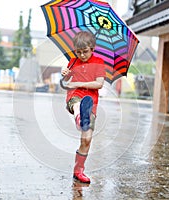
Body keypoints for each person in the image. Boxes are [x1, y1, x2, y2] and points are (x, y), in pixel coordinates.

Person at [61, 31, 105, 184]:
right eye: (78, 52)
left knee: (87, 139)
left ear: (92, 48)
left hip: (91, 103)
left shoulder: (99, 62)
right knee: (78, 104)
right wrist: (65, 73)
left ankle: (78, 170)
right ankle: (79, 115)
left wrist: (78, 83)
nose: (82, 55)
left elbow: (99, 84)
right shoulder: (73, 61)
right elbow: (65, 80)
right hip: (74, 97)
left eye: (85, 51)